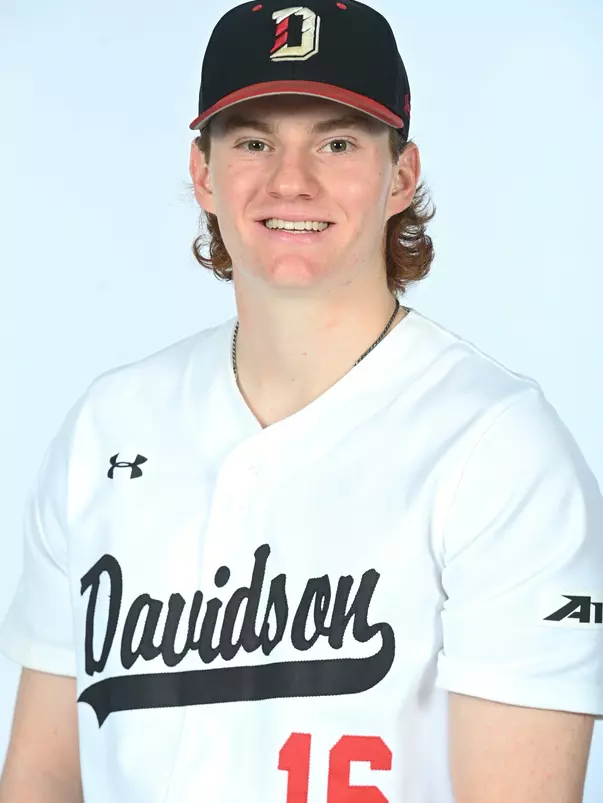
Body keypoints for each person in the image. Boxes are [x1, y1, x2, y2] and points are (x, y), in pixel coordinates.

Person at [1, 1, 602, 801]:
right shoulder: (107, 427)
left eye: (337, 141)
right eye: (254, 141)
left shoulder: (496, 447)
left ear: (403, 174)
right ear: (203, 173)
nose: (292, 180)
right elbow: (42, 774)